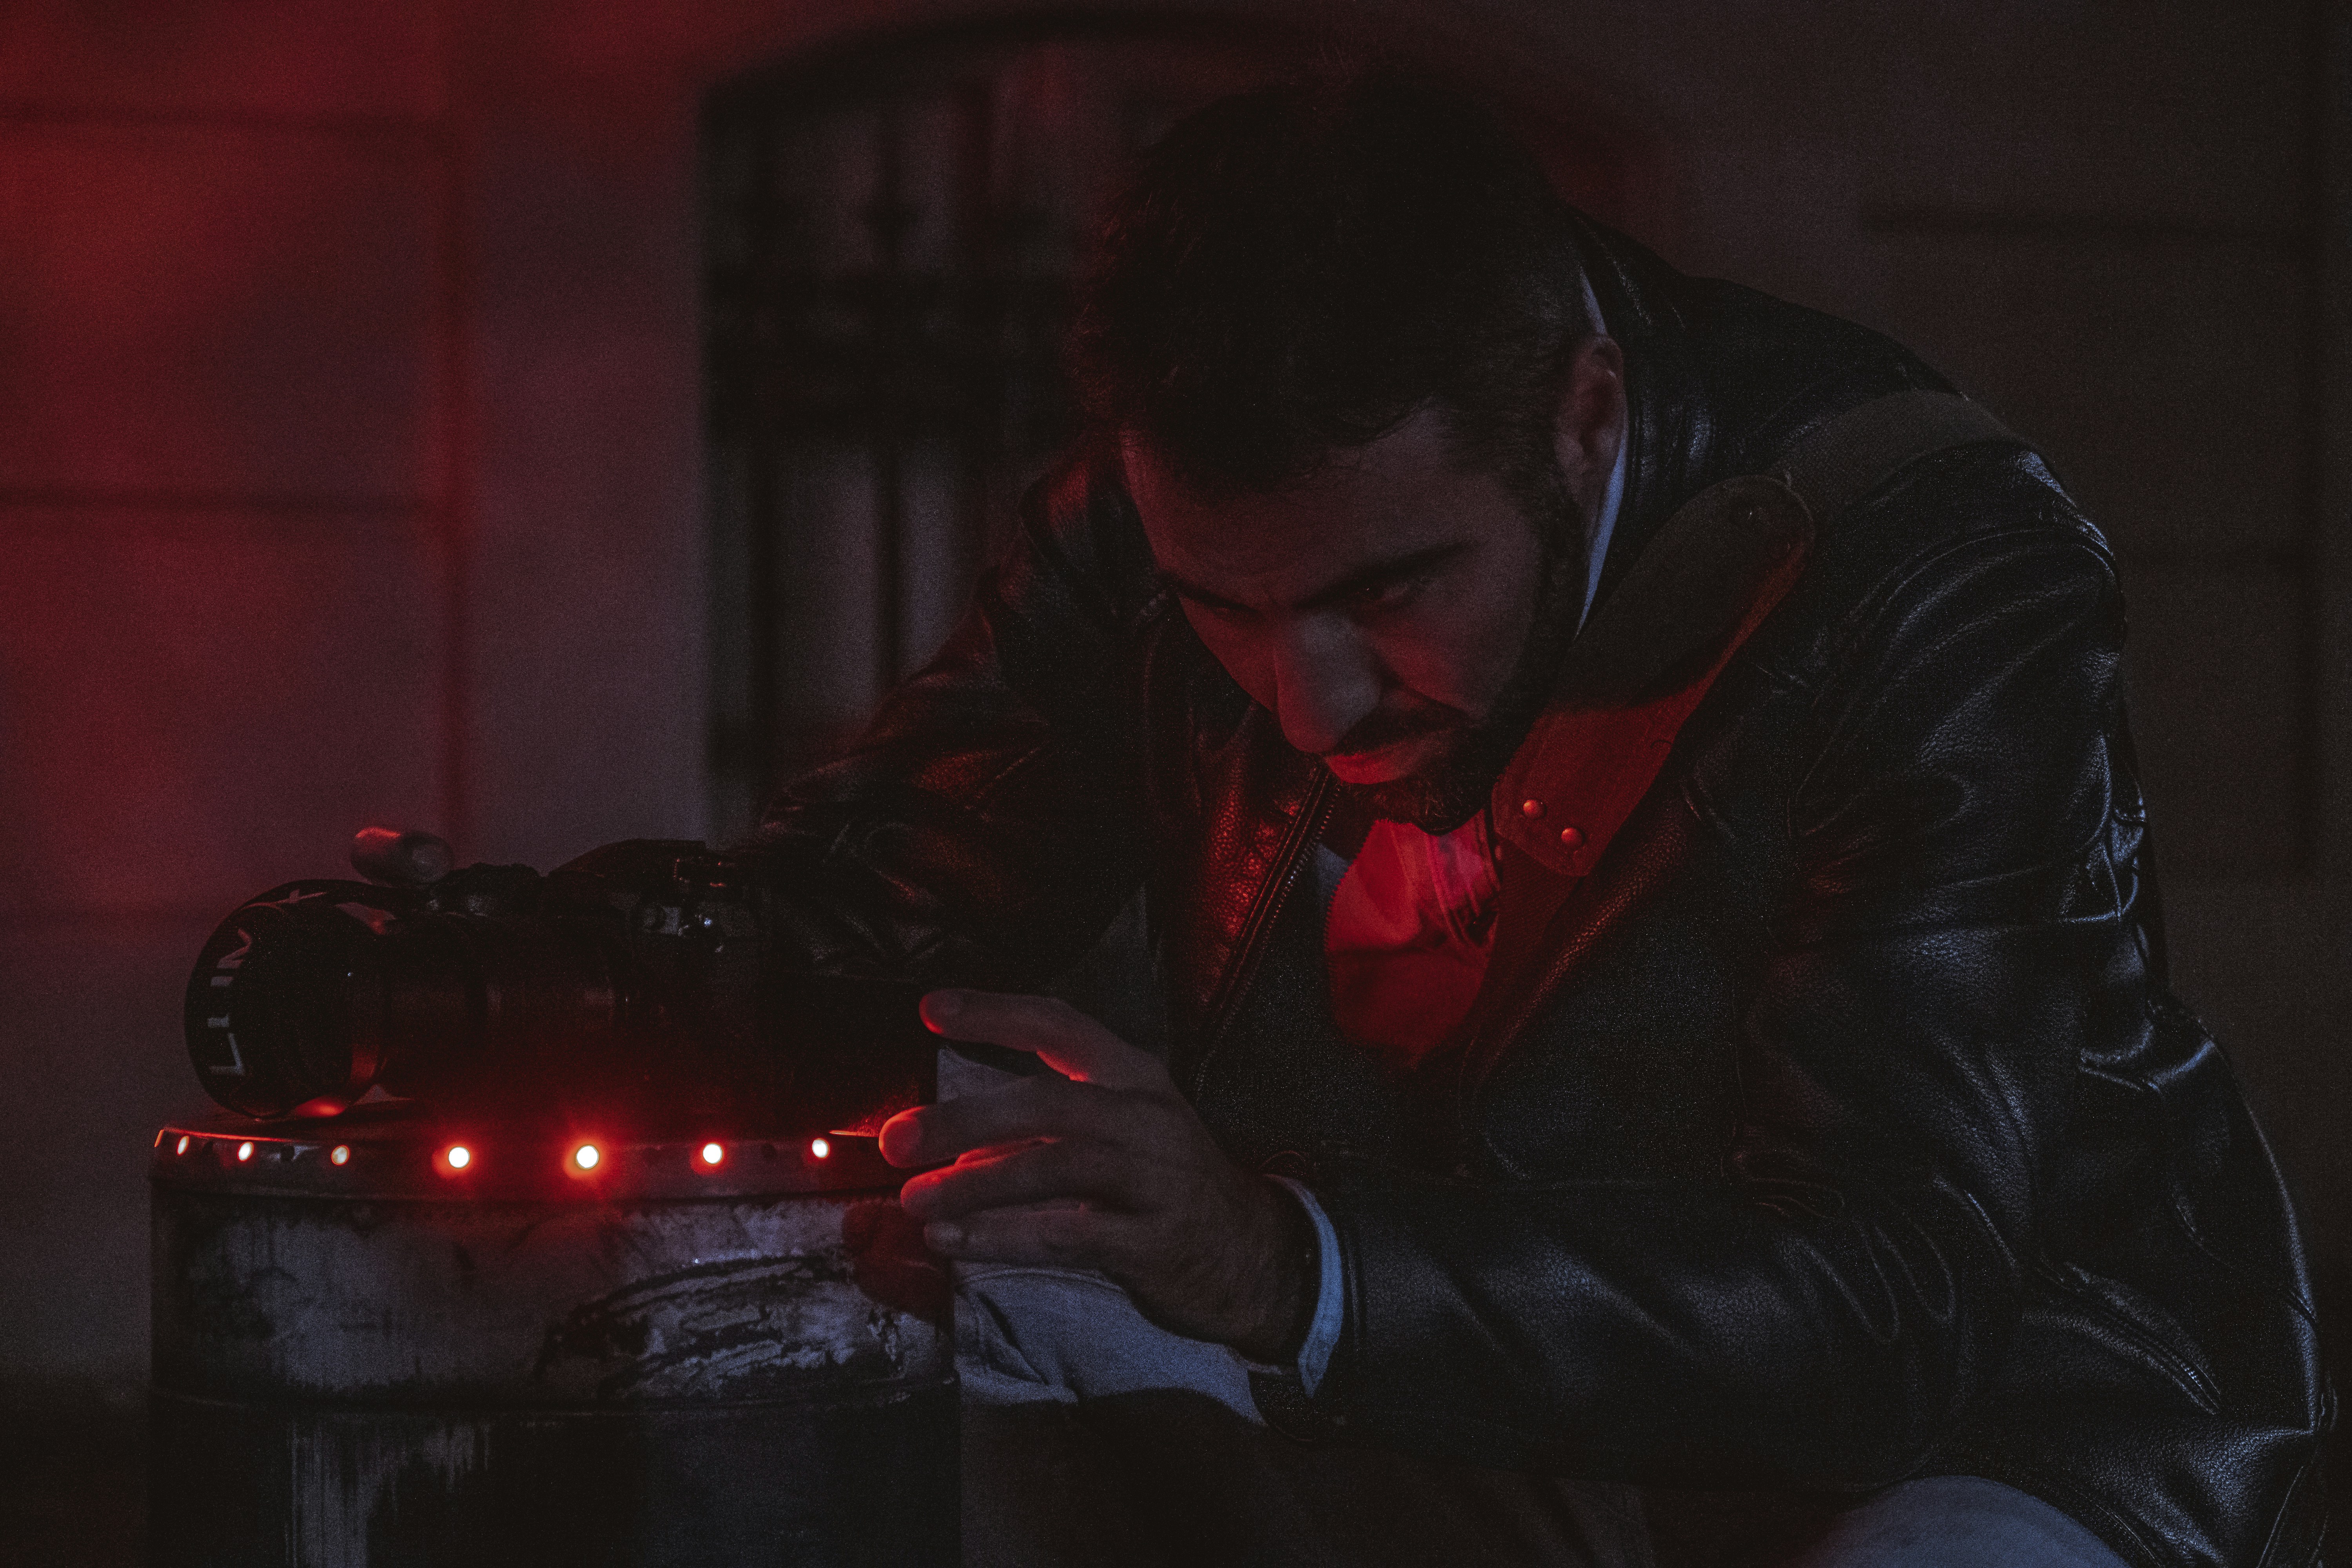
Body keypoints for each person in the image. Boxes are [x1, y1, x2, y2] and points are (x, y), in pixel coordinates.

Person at [749, 74, 2327, 1566]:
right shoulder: (1173, 519)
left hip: (1998, 1416)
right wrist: (616, 969)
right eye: (1224, 610)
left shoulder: (1929, 578)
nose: (1310, 706)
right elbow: (881, 895)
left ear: (1584, 416)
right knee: (880, 1309)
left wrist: (1281, 1262)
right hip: (1430, 1368)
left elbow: (1886, 1304)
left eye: (1392, 592)